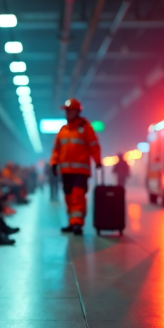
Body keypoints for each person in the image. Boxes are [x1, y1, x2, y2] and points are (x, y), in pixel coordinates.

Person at [49, 98, 102, 236]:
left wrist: (97, 160)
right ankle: (72, 221)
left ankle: (77, 223)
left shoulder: (85, 127)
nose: (67, 113)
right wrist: (54, 163)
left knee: (77, 196)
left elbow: (93, 145)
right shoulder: (63, 130)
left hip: (81, 171)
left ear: (77, 111)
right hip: (66, 171)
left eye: (69, 110)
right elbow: (56, 149)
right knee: (68, 197)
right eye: (66, 111)